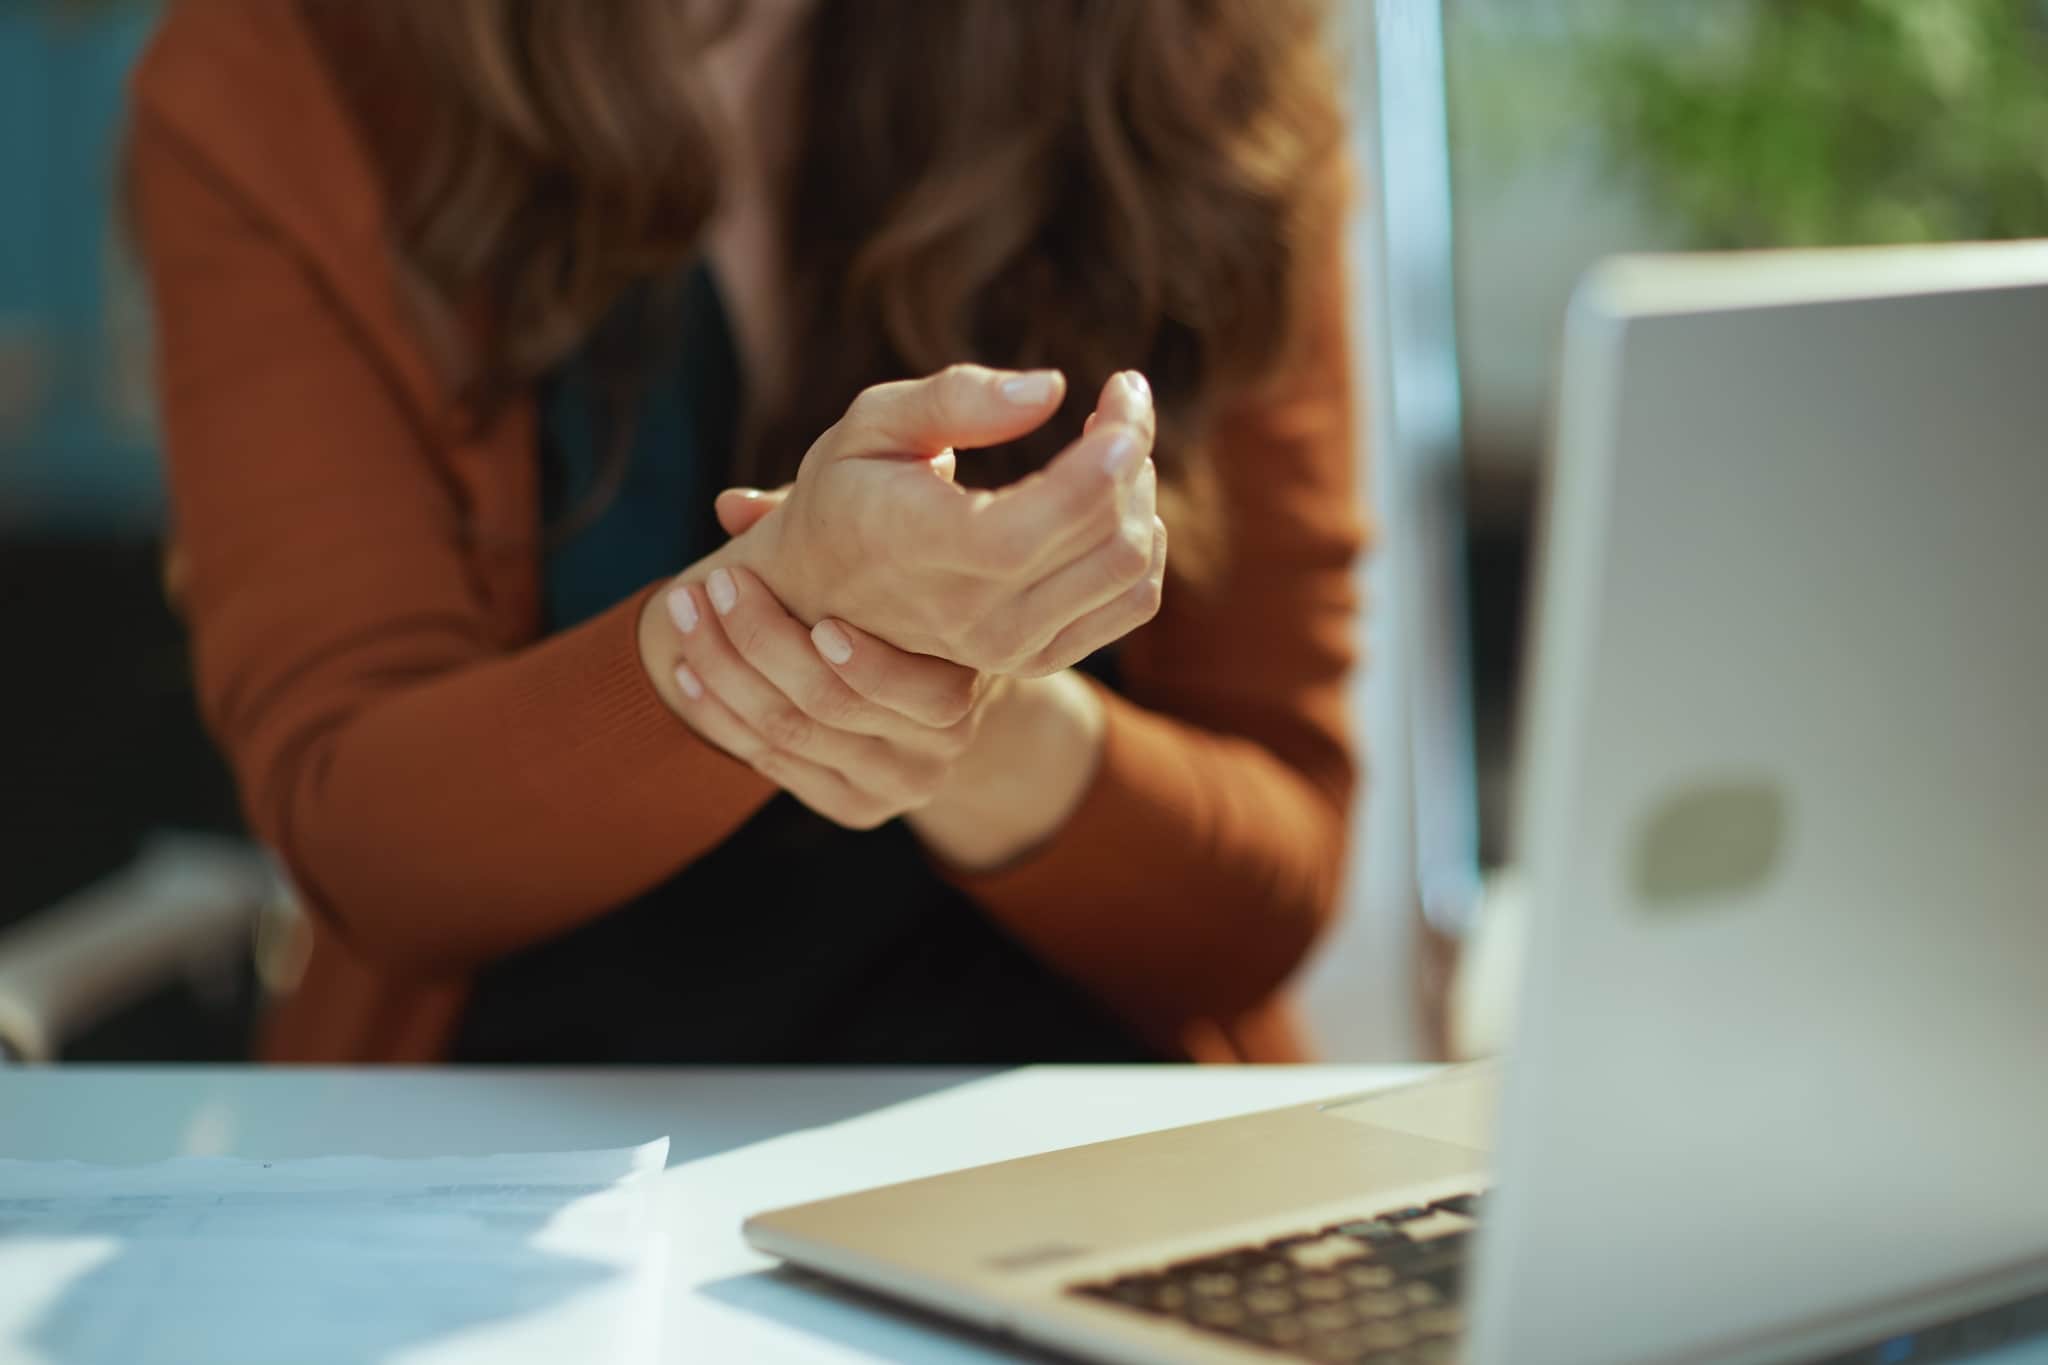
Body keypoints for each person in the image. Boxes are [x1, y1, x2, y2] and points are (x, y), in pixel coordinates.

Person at [126, 0, 1366, 1065]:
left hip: (1063, 1180)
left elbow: (1261, 896)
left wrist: (963, 710)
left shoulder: (1184, 54)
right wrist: (796, 621)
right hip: (514, 1197)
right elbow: (368, 839)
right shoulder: (287, 73)